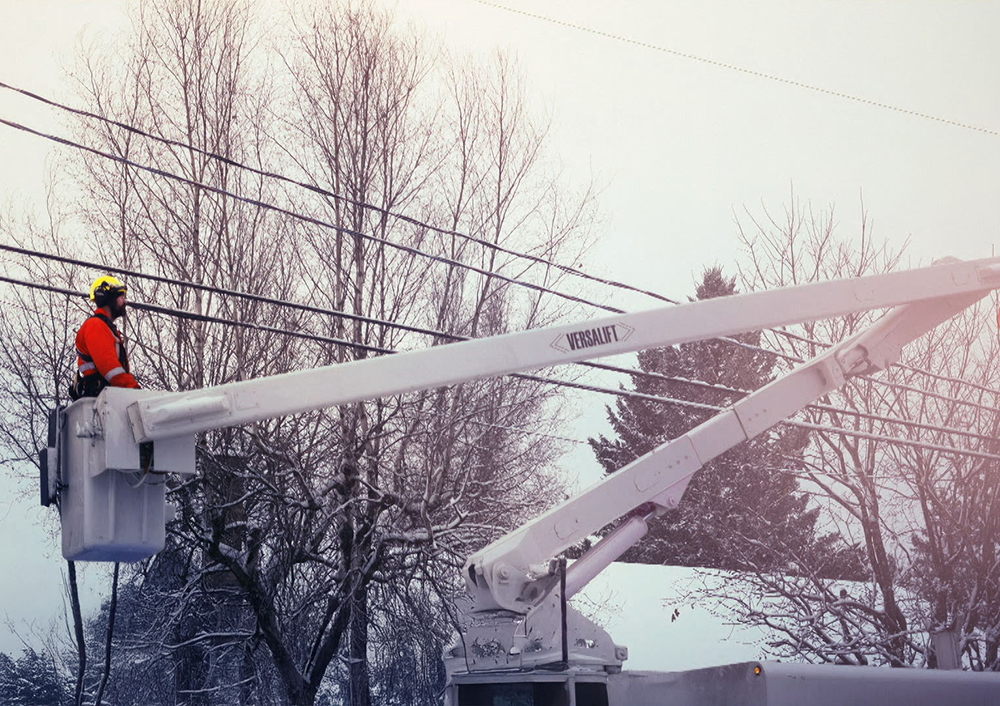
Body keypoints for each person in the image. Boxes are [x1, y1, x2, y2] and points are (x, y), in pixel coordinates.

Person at [70, 275, 141, 400]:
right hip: (99, 399)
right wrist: (135, 391)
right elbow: (110, 368)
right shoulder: (96, 326)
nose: (124, 301)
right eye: (121, 297)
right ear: (110, 299)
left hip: (108, 397)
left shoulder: (106, 328)